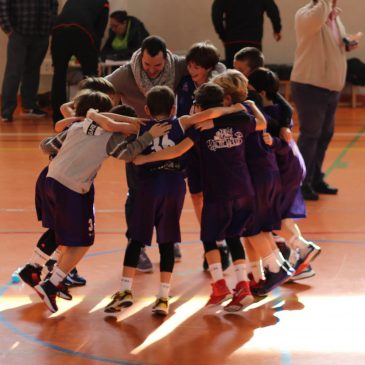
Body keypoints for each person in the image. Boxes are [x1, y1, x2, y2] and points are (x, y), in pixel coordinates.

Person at [29, 89, 170, 313]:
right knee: (82, 242)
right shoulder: (111, 136)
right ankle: (51, 283)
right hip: (71, 188)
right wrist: (148, 136)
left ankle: (46, 274)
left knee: (64, 234)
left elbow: (45, 146)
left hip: (50, 180)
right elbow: (129, 154)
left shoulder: (78, 126)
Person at [106, 35, 188, 267]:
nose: (151, 70)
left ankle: (168, 239)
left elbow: (212, 64)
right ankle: (137, 244)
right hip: (138, 143)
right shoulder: (125, 74)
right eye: (147, 65)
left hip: (168, 139)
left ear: (167, 58)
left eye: (158, 66)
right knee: (137, 193)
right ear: (140, 57)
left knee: (170, 193)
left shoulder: (180, 65)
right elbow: (99, 89)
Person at [290, 0, 359, 200]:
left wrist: (347, 42)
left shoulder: (335, 18)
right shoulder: (306, 15)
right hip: (310, 86)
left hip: (330, 88)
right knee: (311, 135)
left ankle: (315, 177)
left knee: (325, 134)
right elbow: (318, 15)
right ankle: (301, 182)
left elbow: (330, 45)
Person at [51, 0, 110, 124]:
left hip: (58, 29)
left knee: (59, 75)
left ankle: (58, 117)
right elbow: (99, 32)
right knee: (90, 77)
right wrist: (95, 57)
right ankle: (91, 116)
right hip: (83, 31)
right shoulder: (103, 3)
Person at [0, 0, 58, 122]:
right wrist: (7, 28)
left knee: (33, 71)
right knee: (14, 72)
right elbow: (3, 5)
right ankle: (6, 111)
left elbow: (54, 4)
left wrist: (50, 25)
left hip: (42, 33)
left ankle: (29, 107)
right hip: (18, 33)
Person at [211, 0, 282, 68]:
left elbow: (216, 16)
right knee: (255, 74)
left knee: (233, 75)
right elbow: (273, 11)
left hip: (232, 41)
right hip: (253, 40)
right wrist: (277, 29)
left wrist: (223, 36)